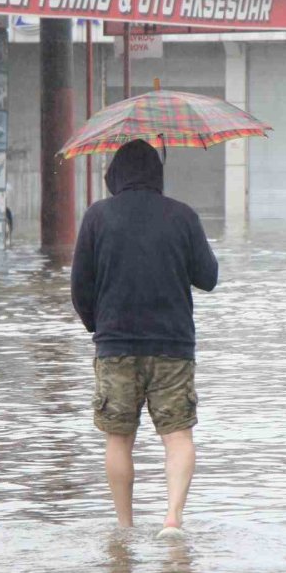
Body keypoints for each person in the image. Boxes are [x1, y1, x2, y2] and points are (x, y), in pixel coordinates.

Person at [71, 139, 218, 537]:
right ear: (157, 172)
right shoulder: (182, 216)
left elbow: (80, 287)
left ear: (115, 174)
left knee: (118, 439)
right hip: (173, 347)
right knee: (178, 435)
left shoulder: (97, 217)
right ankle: (172, 519)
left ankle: (125, 527)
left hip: (116, 346)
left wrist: (99, 327)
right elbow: (208, 278)